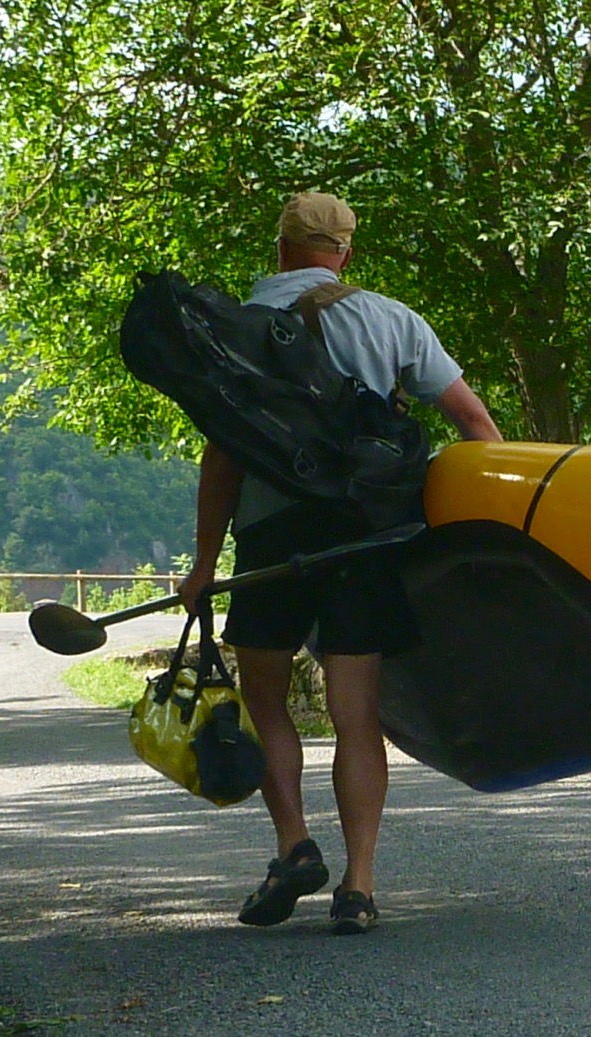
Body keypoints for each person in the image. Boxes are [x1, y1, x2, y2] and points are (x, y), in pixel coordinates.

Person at [175, 191, 502, 935]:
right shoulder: (392, 320)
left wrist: (203, 562)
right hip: (366, 537)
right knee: (356, 715)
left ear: (280, 248)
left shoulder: (237, 327)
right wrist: (503, 530)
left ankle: (294, 845)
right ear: (346, 252)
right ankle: (358, 886)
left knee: (264, 699)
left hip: (271, 538)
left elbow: (223, 456)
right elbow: (473, 421)